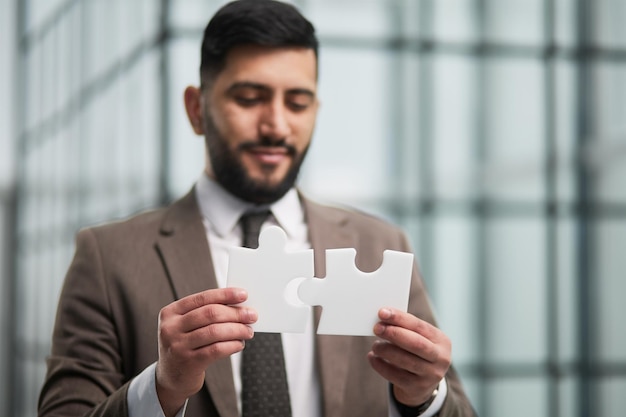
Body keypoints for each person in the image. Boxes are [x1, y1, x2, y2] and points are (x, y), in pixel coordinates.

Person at [38, 1, 476, 416]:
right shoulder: (107, 256)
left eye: (298, 103)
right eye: (249, 98)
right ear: (196, 109)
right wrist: (162, 386)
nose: (277, 125)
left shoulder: (380, 245)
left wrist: (424, 397)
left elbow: (455, 405)